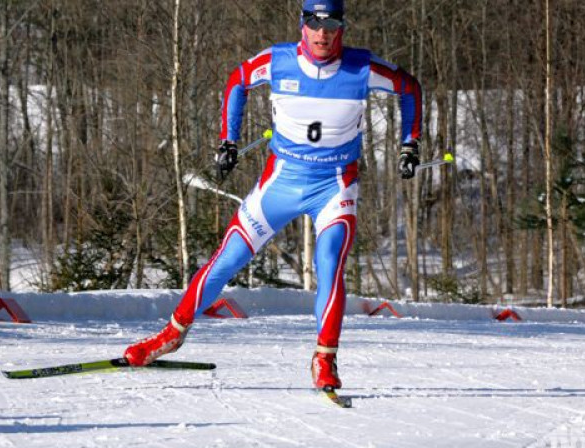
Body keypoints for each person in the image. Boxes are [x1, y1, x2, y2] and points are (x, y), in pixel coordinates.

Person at [124, 0, 422, 391]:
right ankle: (171, 334)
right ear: (302, 25)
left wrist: (409, 145)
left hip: (333, 185)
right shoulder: (278, 61)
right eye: (314, 25)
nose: (322, 34)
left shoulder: (361, 67)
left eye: (330, 25)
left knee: (329, 261)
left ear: (341, 28)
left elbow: (410, 87)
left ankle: (325, 359)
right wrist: (228, 139)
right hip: (280, 182)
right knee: (226, 259)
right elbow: (237, 81)